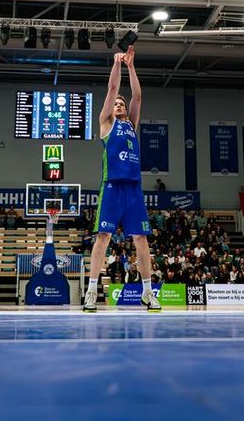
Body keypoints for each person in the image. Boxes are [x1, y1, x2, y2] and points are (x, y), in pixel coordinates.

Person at [84, 46, 159, 311]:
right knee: (103, 237)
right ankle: (91, 292)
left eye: (121, 104)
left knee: (141, 239)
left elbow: (137, 94)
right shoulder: (106, 123)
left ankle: (148, 293)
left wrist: (131, 66)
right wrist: (117, 64)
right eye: (116, 103)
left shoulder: (132, 124)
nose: (118, 104)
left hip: (134, 189)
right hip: (113, 187)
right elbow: (112, 88)